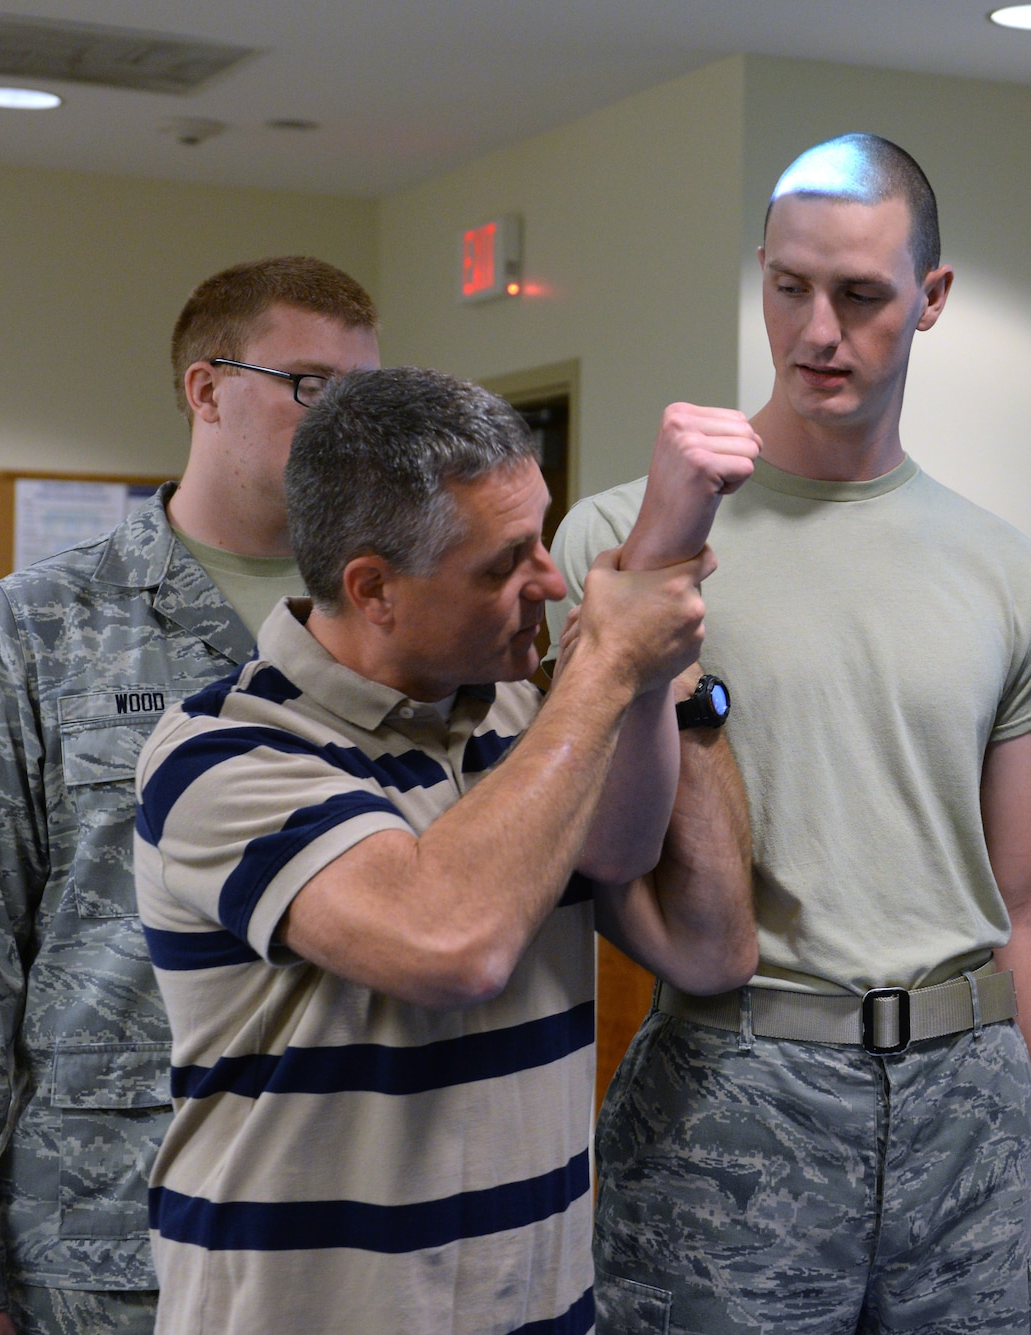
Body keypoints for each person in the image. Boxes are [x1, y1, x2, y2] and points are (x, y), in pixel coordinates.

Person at [550, 133, 1031, 1335]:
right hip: (736, 1084)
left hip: (967, 1104)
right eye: (789, 287)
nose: (817, 332)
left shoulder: (1005, 570)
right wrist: (655, 559)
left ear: (929, 299)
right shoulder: (616, 535)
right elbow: (596, 855)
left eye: (859, 296)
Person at [132, 365, 755, 1334]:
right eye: (502, 564)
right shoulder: (223, 751)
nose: (549, 581)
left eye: (542, 539)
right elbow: (449, 942)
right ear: (373, 590)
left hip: (535, 1309)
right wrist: (605, 672)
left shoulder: (527, 720)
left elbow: (630, 861)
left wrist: (652, 626)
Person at [0, 256, 379, 1335]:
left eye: (360, 395)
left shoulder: (393, 621)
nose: (342, 426)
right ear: (206, 389)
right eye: (308, 387)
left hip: (364, 1216)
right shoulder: (44, 624)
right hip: (115, 1231)